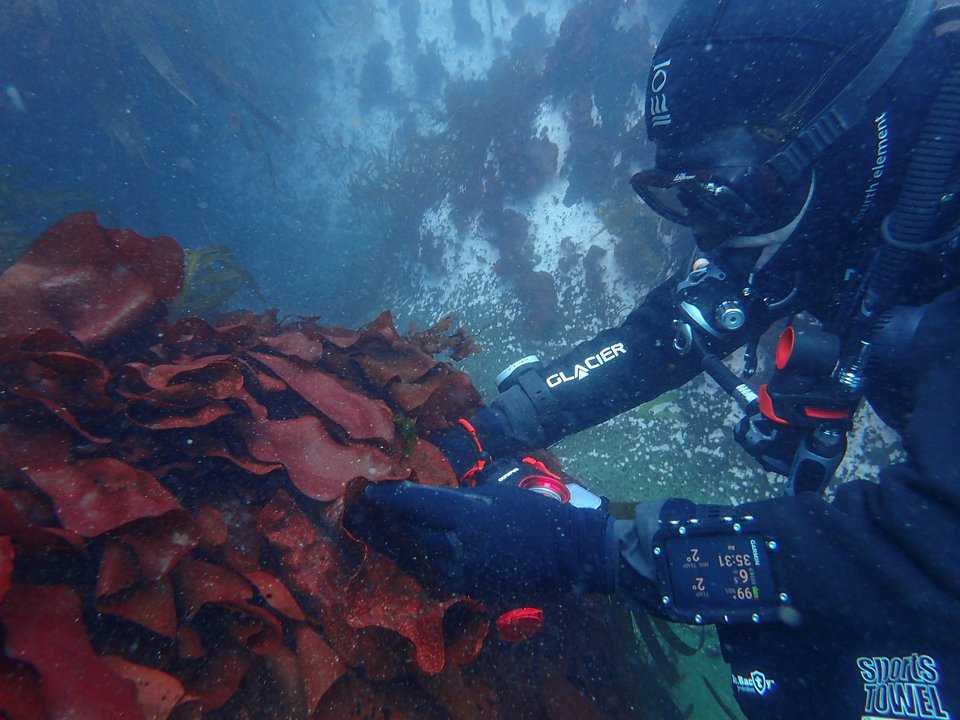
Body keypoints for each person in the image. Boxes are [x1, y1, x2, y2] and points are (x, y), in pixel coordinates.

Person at [346, 0, 960, 717]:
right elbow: (668, 334)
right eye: (684, 202)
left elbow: (936, 551)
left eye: (728, 197)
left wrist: (599, 552)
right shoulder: (851, 208)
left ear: (856, 130)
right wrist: (496, 427)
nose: (711, 242)